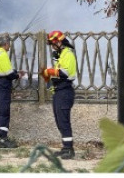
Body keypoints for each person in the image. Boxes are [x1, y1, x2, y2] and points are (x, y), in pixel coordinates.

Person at [42, 30, 77, 159]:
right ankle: (65, 147)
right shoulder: (61, 55)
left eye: (52, 43)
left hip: (65, 92)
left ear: (59, 42)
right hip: (59, 92)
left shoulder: (68, 54)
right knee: (59, 122)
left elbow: (65, 73)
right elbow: (57, 73)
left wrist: (49, 71)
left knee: (64, 121)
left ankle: (69, 149)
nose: (51, 46)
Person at [0, 35, 26, 148]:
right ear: (6, 44)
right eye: (9, 44)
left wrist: (15, 71)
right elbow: (9, 74)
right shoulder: (3, 54)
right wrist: (18, 75)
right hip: (4, 85)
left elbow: (3, 69)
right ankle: (3, 140)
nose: (9, 46)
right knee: (4, 112)